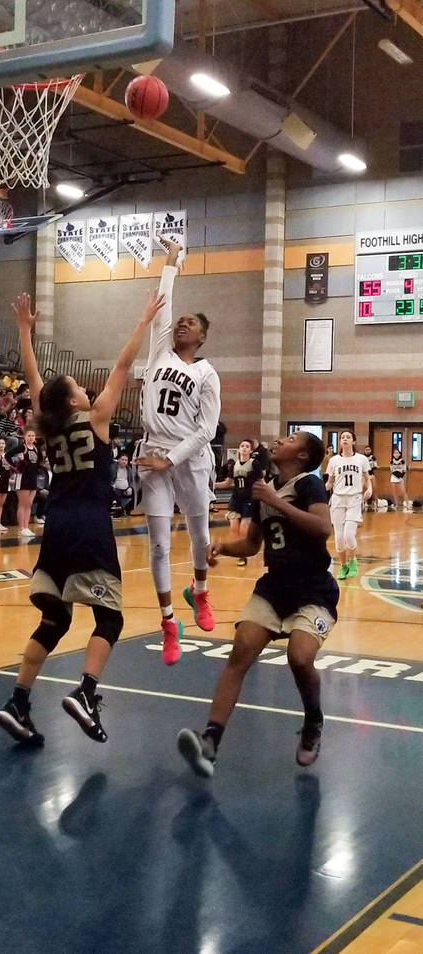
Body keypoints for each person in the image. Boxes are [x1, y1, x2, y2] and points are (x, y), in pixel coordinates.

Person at [0, 288, 164, 747]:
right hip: (89, 524)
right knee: (110, 619)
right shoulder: (98, 418)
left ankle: (19, 701)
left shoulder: (48, 427)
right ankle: (86, 693)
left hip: (56, 529)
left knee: (55, 622)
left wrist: (25, 332)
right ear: (72, 403)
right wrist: (144, 320)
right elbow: (123, 367)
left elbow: (34, 382)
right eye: (78, 389)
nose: (87, 390)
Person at [177, 431, 338, 777]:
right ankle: (210, 742)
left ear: (304, 457)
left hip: (313, 588)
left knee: (299, 657)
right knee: (240, 652)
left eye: (292, 438)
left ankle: (313, 721)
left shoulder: (308, 484)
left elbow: (323, 528)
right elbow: (253, 544)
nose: (281, 440)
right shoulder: (262, 488)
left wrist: (276, 501)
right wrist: (223, 547)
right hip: (274, 587)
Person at [134, 236, 220, 666]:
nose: (181, 324)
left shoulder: (207, 374)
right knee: (159, 546)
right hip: (152, 455)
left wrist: (170, 459)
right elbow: (164, 304)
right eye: (179, 320)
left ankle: (199, 592)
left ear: (202, 336)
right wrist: (172, 261)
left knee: (200, 537)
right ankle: (169, 621)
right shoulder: (159, 350)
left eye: (191, 323)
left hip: (188, 460)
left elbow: (205, 430)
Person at [325, 430, 370, 579]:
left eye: (348, 437)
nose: (345, 439)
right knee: (338, 539)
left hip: (355, 499)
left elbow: (367, 478)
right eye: (342, 437)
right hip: (338, 499)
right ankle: (343, 566)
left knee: (349, 535)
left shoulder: (362, 459)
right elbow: (330, 482)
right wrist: (318, 489)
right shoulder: (334, 461)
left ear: (354, 442)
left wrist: (369, 489)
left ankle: (353, 560)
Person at [214, 438, 263, 567]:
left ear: (251, 450)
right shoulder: (234, 464)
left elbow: (261, 482)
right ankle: (240, 552)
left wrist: (264, 497)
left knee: (243, 530)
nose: (244, 448)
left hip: (249, 499)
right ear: (239, 449)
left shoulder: (254, 464)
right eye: (242, 446)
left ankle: (244, 554)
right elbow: (228, 483)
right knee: (234, 529)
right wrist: (213, 485)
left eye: (247, 446)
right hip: (236, 499)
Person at [13, 429, 41, 537]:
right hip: (22, 478)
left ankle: (26, 527)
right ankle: (21, 528)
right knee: (22, 504)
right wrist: (15, 466)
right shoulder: (22, 447)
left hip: (32, 478)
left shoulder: (36, 449)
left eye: (33, 436)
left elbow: (39, 462)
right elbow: (7, 455)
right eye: (29, 435)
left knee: (29, 504)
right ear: (25, 437)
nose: (31, 437)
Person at [363, 444, 377, 510]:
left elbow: (375, 466)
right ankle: (364, 502)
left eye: (369, 450)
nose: (367, 451)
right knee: (365, 489)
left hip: (371, 475)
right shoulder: (363, 458)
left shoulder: (373, 457)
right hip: (365, 476)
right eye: (366, 450)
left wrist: (373, 467)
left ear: (371, 450)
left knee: (374, 489)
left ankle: (376, 503)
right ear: (364, 451)